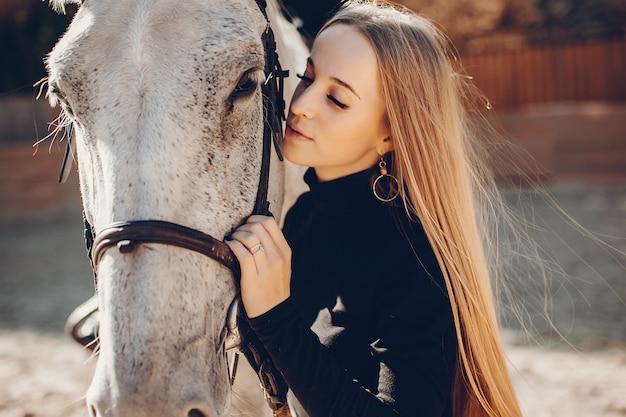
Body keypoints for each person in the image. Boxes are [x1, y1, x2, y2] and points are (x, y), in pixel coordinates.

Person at [226, 1, 523, 416]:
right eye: (308, 76)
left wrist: (275, 318)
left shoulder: (416, 258)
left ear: (390, 134)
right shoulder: (303, 215)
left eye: (338, 99)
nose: (301, 104)